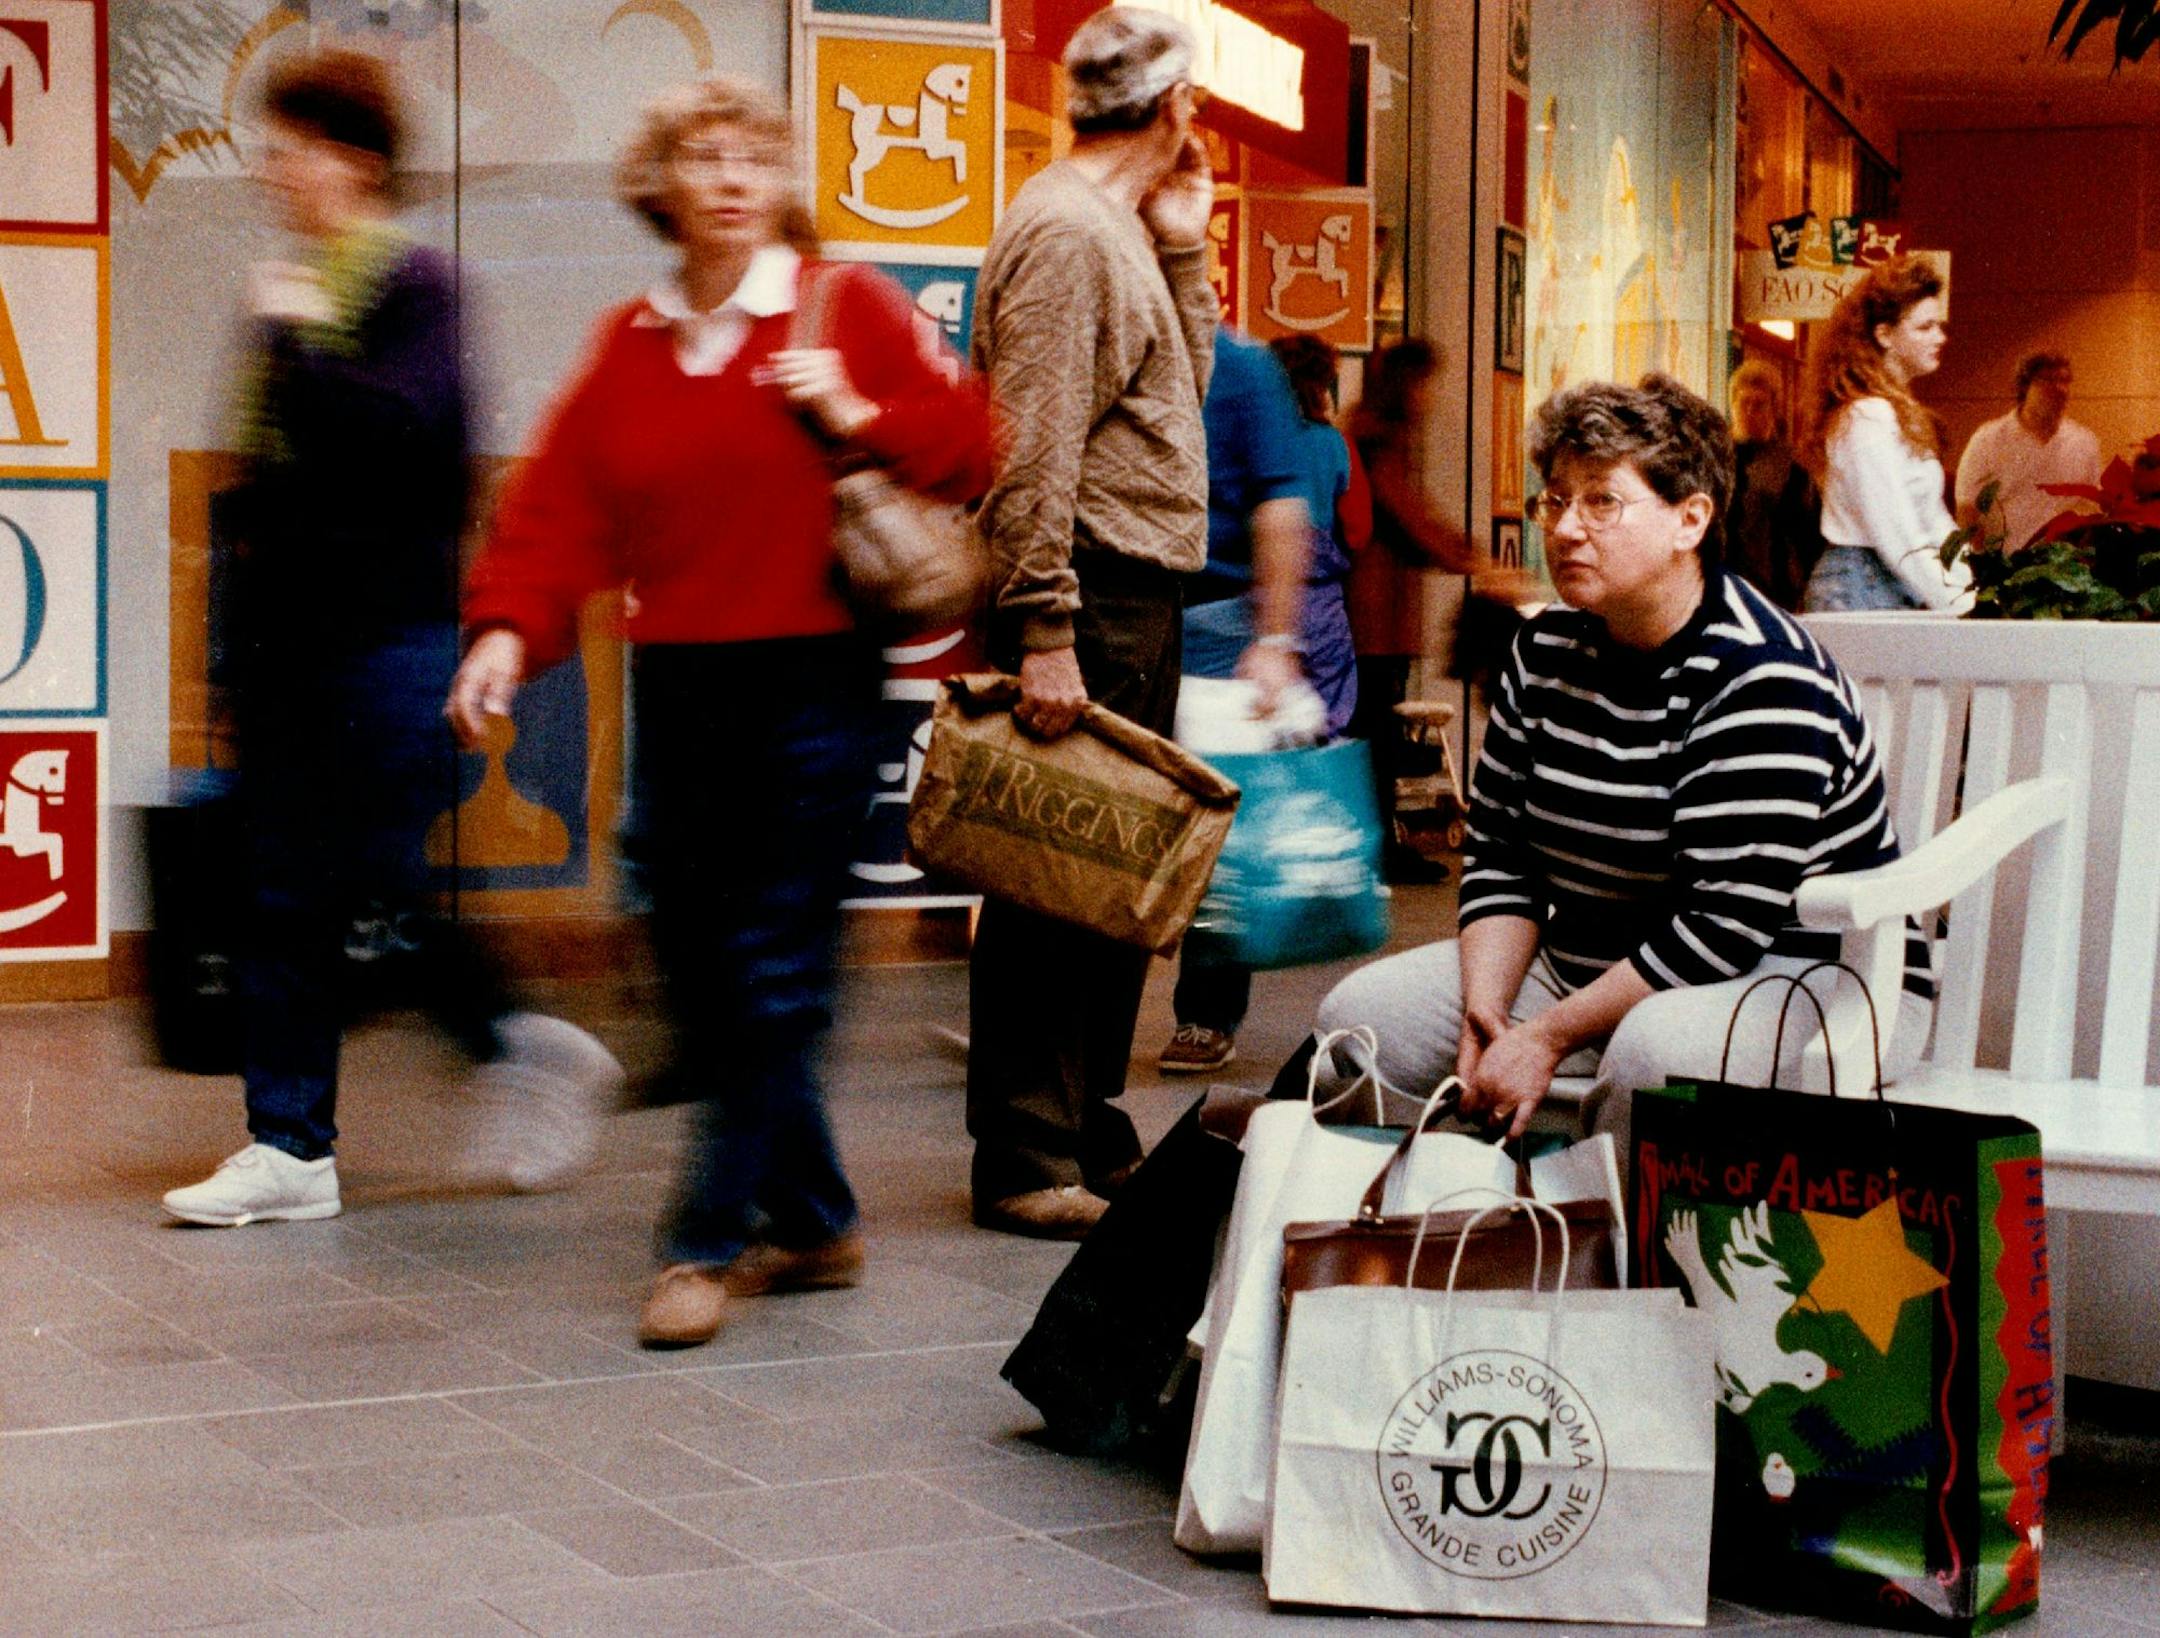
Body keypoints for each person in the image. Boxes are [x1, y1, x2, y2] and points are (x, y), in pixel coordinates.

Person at [447, 76, 993, 1347]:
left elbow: (970, 444)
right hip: (682, 679)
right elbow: (558, 513)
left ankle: (703, 1241)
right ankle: (816, 1220)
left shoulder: (841, 303)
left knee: (771, 965)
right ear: (664, 186)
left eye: (756, 154)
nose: (736, 175)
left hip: (817, 676)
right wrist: (502, 635)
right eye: (706, 154)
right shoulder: (628, 343)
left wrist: (853, 409)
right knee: (695, 956)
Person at [162, 51, 622, 1231]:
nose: (272, 171)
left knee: (380, 882)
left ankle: (519, 1042)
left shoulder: (419, 288)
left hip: (387, 640)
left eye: (289, 146)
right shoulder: (295, 290)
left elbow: (415, 441)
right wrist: (229, 661)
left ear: (350, 158)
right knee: (281, 896)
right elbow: (260, 492)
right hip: (288, 651)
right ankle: (289, 1147)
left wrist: (306, 342)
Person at [1284, 375, 1934, 1139]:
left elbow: (1724, 925)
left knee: (1653, 1055)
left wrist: (1547, 1036)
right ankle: (1436, 1235)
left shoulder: (1761, 675)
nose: (1563, 528)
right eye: (1555, 499)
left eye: (1601, 501)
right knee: (1356, 1024)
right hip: (1593, 962)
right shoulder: (1544, 646)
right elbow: (1501, 853)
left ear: (1690, 520)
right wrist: (1486, 1012)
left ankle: (1620, 1253)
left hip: (1806, 978)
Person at [965, 5, 1217, 1238]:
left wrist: (1184, 254)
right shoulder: (1066, 233)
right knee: (1052, 880)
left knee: (1111, 886)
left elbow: (1176, 403)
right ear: (1178, 114)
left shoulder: (1114, 228)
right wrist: (1044, 627)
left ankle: (1079, 1123)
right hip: (1091, 593)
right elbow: (1032, 445)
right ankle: (1022, 1149)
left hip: (1131, 590)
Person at [1155, 325, 1313, 1077]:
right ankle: (1201, 1014)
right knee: (1210, 830)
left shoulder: (1240, 367)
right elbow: (1283, 502)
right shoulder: (1246, 364)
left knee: (1204, 832)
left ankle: (1205, 1009)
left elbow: (1282, 505)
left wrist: (1276, 635)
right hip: (1191, 612)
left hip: (1197, 613)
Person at [1344, 339, 1527, 882]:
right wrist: (1474, 559)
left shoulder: (1377, 431)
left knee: (1375, 733)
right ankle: (1380, 850)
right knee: (1374, 735)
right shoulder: (1378, 435)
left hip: (1379, 614)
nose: (1431, 396)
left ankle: (1382, 846)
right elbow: (1407, 515)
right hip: (1371, 616)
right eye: (1425, 384)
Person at [1800, 256, 1973, 612]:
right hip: (1860, 587)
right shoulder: (1868, 417)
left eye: (1938, 326)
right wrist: (1962, 605)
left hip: (1881, 583)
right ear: (1884, 335)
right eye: (1925, 328)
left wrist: (1974, 588)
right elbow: (1897, 533)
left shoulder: (1888, 413)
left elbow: (1931, 521)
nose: (1940, 337)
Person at [1954, 351, 2103, 549]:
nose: (2059, 388)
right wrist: (1980, 564)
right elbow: (1967, 508)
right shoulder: (1988, 440)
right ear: (2024, 387)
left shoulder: (2084, 441)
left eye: (2065, 381)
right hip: (2006, 565)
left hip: (2066, 567)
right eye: (2048, 381)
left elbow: (2094, 507)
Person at [1726, 359, 1822, 611]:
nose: (1749, 412)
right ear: (1732, 405)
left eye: (1759, 405)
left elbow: (1808, 535)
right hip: (1722, 584)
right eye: (1743, 403)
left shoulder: (1791, 466)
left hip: (1774, 588)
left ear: (1774, 409)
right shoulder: (1714, 457)